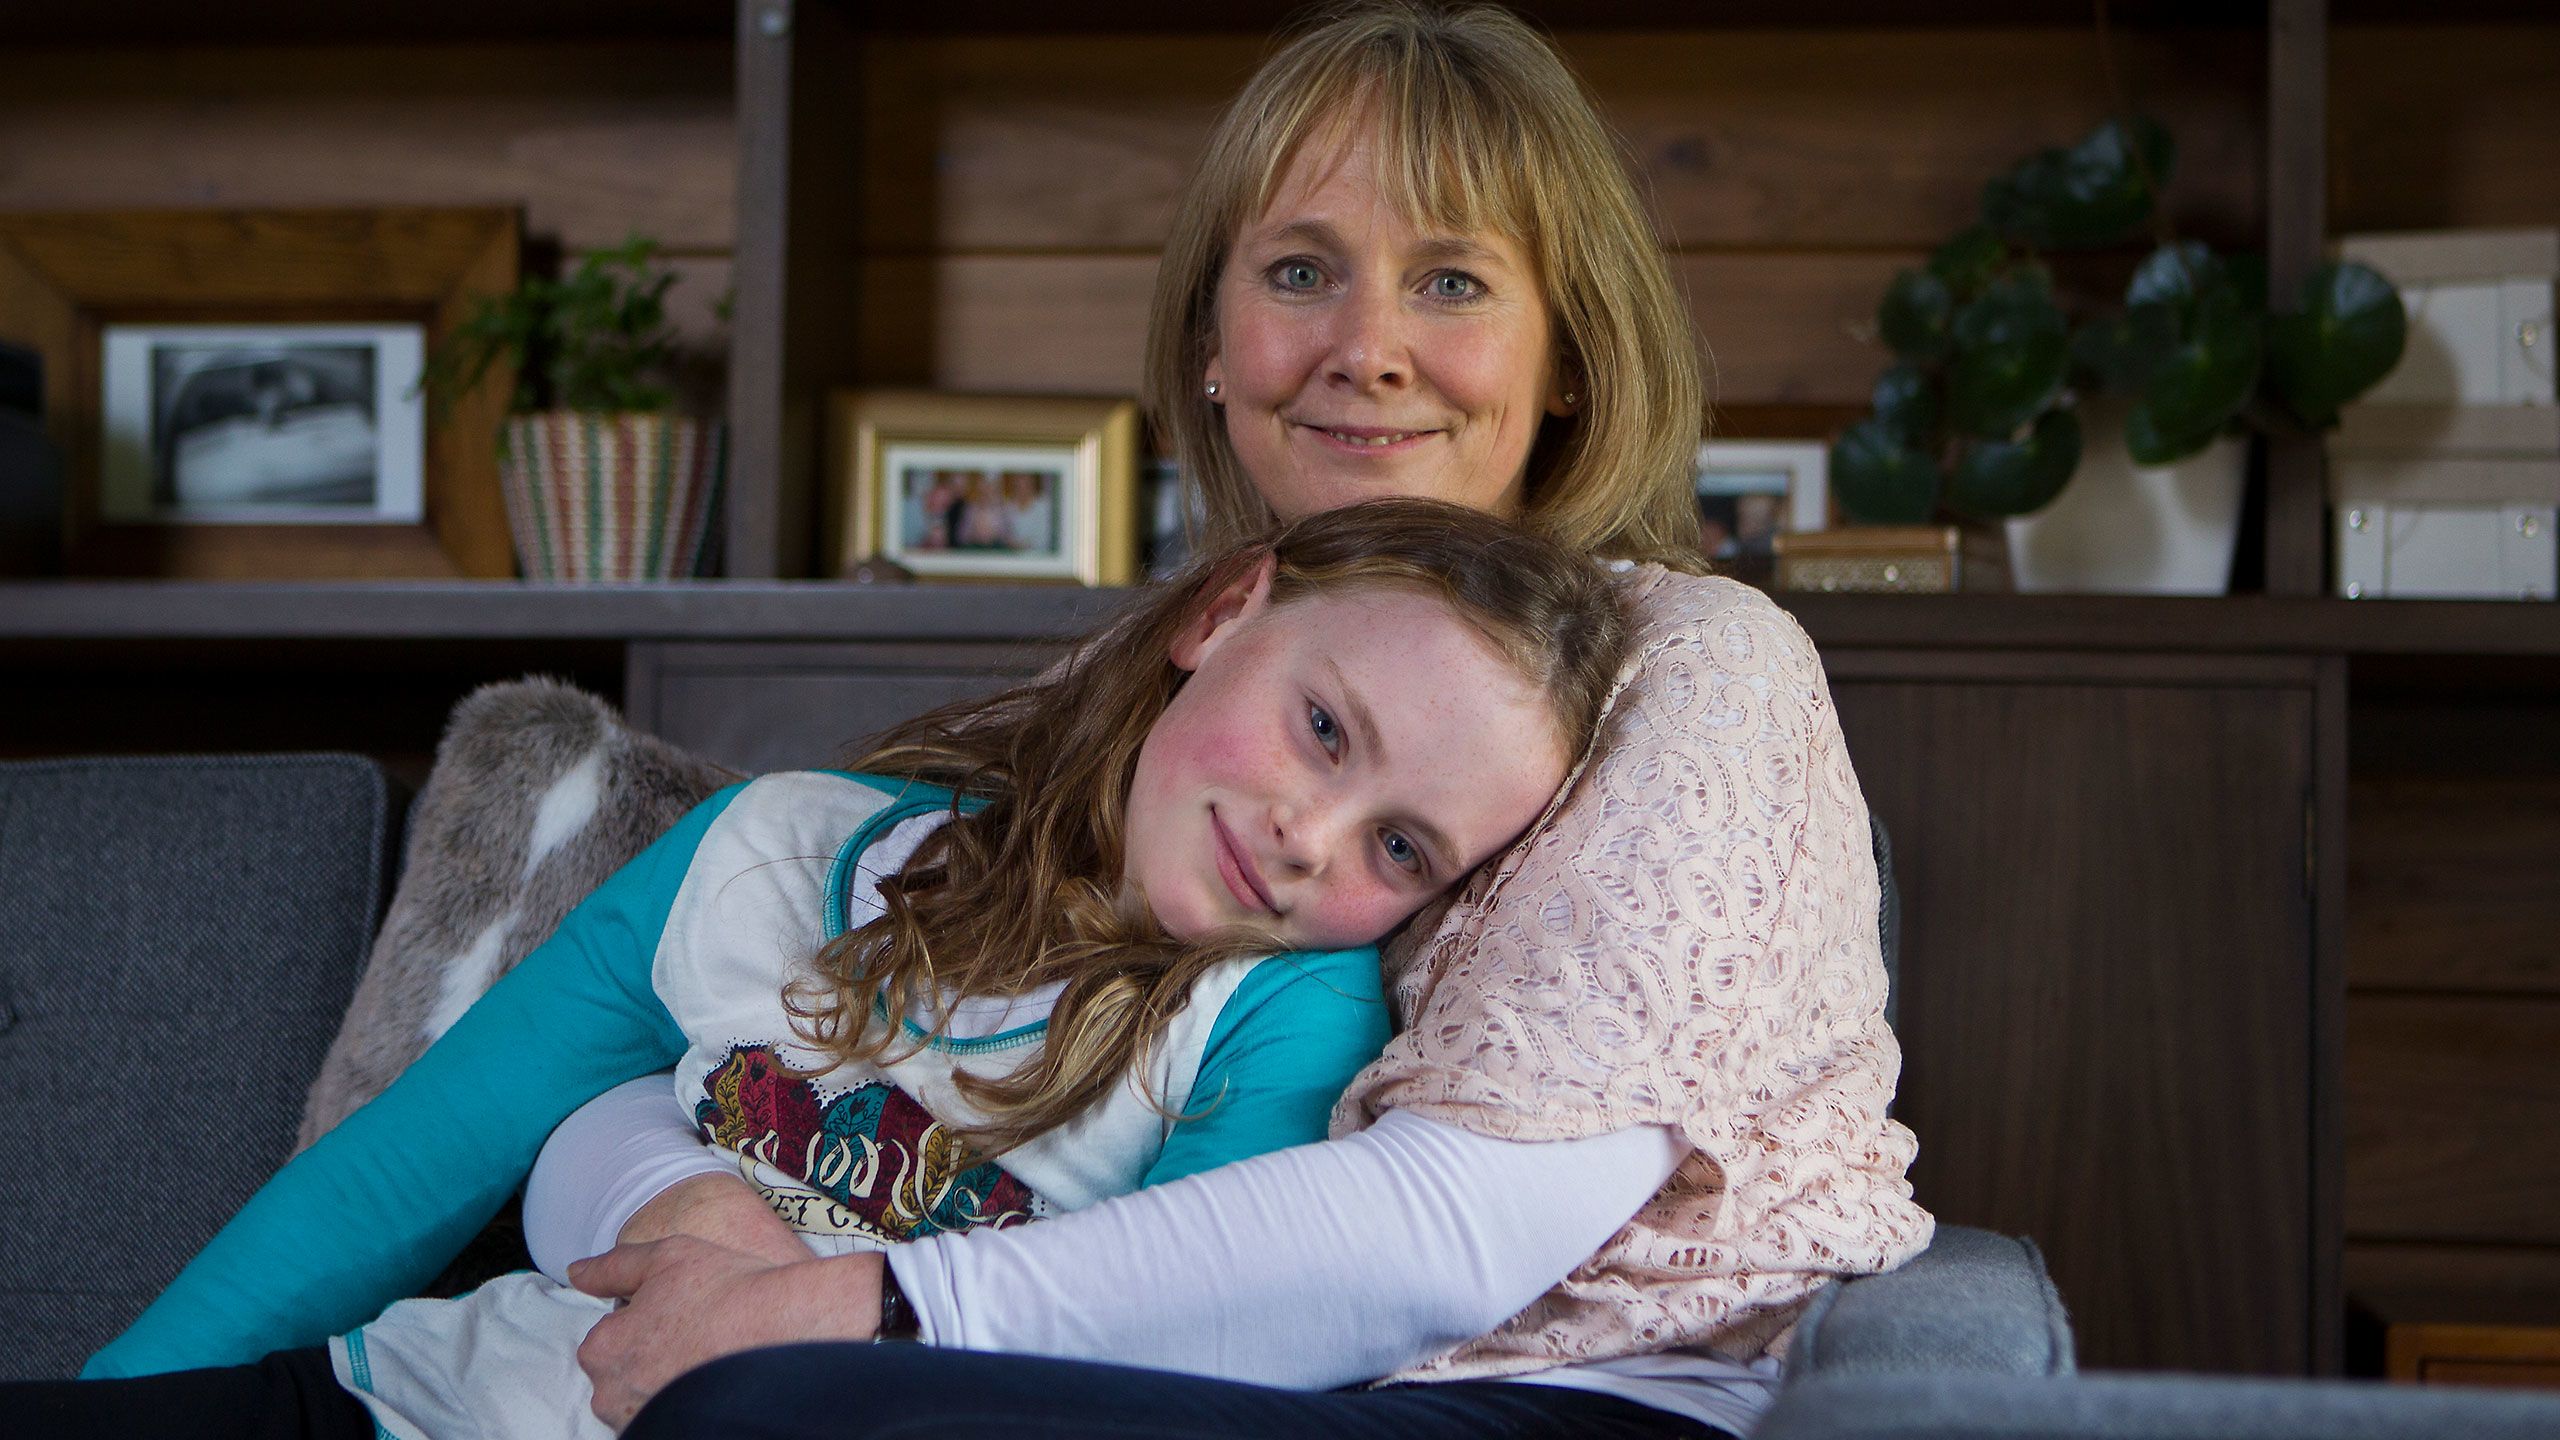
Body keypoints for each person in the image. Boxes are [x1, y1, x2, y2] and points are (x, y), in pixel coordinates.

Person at [90, 6, 1936, 1439]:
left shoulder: (1688, 661)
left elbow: (1450, 1229)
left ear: (1568, 363)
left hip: (1529, 1407)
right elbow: (669, 1055)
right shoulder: (1121, 704)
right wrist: (703, 1211)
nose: (1364, 342)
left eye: (1451, 282)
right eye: (1300, 271)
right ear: (1215, 345)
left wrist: (857, 1309)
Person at [11, 499, 1629, 1440]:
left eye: (1401, 852)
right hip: (409, 1404)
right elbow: (401, 1174)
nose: (1307, 838)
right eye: (1324, 730)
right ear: (1225, 613)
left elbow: (1159, 1378)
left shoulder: (1279, 1012)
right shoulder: (773, 848)